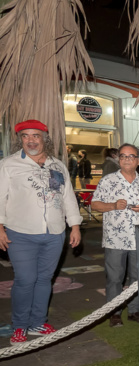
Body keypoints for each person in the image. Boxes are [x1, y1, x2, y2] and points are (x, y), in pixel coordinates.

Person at [0, 120, 82, 343]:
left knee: (45, 279)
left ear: (45, 138)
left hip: (55, 233)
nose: (31, 140)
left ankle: (37, 322)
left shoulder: (57, 165)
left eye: (35, 135)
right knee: (26, 279)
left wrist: (74, 225)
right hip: (20, 233)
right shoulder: (9, 164)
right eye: (25, 136)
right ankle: (20, 325)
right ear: (20, 140)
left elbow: (67, 197)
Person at [91, 144, 139, 327]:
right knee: (114, 279)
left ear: (138, 161)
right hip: (115, 238)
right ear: (119, 159)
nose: (127, 159)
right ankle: (114, 312)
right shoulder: (108, 181)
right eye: (123, 156)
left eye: (131, 156)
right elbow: (94, 204)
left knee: (138, 278)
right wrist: (112, 205)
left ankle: (135, 311)